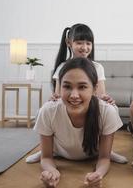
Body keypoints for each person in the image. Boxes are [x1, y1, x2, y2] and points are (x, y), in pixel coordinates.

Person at [26, 23, 127, 164]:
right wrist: (54, 99)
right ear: (69, 43)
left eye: (88, 43)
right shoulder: (62, 67)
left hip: (89, 106)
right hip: (68, 107)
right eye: (79, 42)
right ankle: (48, 150)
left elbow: (100, 94)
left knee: (111, 110)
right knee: (44, 111)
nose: (84, 47)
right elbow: (59, 95)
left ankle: (105, 151)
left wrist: (106, 100)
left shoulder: (97, 67)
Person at [35, 57, 124, 187]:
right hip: (61, 153)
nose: (74, 95)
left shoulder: (107, 111)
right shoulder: (48, 111)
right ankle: (57, 150)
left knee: (106, 152)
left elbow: (104, 158)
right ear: (60, 87)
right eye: (67, 86)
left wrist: (98, 174)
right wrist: (51, 171)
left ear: (94, 88)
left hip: (94, 153)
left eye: (82, 87)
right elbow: (46, 158)